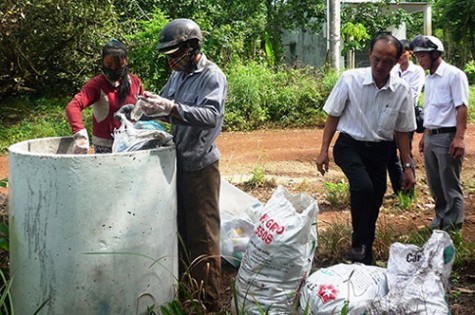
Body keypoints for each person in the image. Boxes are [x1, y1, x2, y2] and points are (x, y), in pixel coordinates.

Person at [132, 19, 227, 311]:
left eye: (176, 54)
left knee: (203, 236)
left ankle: (209, 300)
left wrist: (171, 108)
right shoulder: (178, 76)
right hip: (178, 164)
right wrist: (149, 105)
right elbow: (166, 103)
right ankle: (189, 291)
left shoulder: (212, 76)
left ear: (192, 47)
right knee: (181, 232)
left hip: (200, 166)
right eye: (168, 56)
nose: (171, 61)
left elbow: (211, 115)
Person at [316, 33, 416, 265]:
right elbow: (333, 116)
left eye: (388, 62)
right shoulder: (350, 79)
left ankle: (364, 254)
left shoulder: (401, 90)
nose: (380, 66)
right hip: (349, 145)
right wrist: (323, 150)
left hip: (381, 151)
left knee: (375, 198)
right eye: (377, 59)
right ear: (370, 54)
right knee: (363, 187)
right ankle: (359, 243)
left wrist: (408, 166)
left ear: (397, 61)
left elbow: (402, 133)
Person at [411, 35, 469, 232]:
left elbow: (461, 107)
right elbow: (432, 109)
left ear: (435, 54)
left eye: (422, 55)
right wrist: (424, 135)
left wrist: (459, 138)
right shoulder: (429, 79)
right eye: (417, 55)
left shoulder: (454, 75)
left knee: (449, 183)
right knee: (435, 183)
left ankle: (453, 227)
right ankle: (440, 220)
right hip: (431, 136)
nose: (419, 59)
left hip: (447, 136)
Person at [66, 39, 143, 154]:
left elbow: (141, 108)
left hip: (131, 143)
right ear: (102, 62)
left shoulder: (135, 82)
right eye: (109, 65)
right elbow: (73, 106)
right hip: (105, 146)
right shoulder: (97, 84)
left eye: (118, 65)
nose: (113, 69)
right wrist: (80, 135)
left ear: (126, 62)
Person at [386, 39, 426, 195]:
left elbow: (413, 95)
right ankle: (398, 188)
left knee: (405, 152)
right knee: (389, 154)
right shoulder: (393, 70)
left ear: (410, 53)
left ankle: (409, 191)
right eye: (398, 53)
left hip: (406, 116)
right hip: (390, 116)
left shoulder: (417, 72)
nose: (400, 56)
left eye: (403, 52)